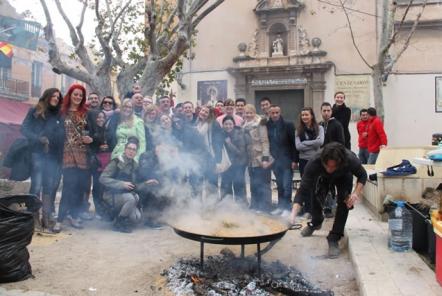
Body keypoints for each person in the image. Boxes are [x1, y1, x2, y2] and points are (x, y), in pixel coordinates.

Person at [290, 142, 367, 258]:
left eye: (333, 166)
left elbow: (363, 175)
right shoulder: (314, 162)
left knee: (344, 203)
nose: (330, 169)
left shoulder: (350, 159)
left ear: (340, 162)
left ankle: (334, 238)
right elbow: (303, 190)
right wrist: (293, 214)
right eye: (328, 165)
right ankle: (316, 222)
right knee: (313, 193)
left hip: (344, 176)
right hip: (323, 176)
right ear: (323, 161)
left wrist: (356, 193)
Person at [21, 88, 64, 231]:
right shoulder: (35, 110)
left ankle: (46, 219)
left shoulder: (58, 114)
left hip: (53, 156)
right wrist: (38, 139)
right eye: (54, 96)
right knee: (36, 186)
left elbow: (61, 134)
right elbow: (24, 129)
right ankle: (34, 219)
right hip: (37, 154)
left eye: (58, 97)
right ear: (47, 96)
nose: (56, 99)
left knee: (49, 187)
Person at [54, 84, 93, 233]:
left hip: (83, 155)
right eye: (75, 94)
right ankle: (59, 219)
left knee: (79, 188)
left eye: (80, 95)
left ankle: (74, 216)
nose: (78, 97)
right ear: (70, 95)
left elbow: (92, 132)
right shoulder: (61, 112)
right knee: (68, 187)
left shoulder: (86, 113)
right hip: (67, 154)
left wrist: (91, 138)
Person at [100, 137, 142, 233]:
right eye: (129, 149)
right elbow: (102, 178)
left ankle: (121, 215)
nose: (131, 151)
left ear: (136, 152)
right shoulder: (116, 161)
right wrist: (121, 184)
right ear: (125, 149)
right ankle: (119, 222)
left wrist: (144, 184)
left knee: (136, 218)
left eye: (134, 150)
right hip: (110, 194)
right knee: (130, 199)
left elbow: (135, 184)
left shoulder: (135, 165)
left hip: (124, 194)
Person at [266, 105, 298, 212]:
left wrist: (294, 160)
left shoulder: (288, 125)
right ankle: (280, 207)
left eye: (277, 113)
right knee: (279, 185)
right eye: (272, 113)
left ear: (280, 113)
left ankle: (287, 208)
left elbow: (294, 143)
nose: (275, 115)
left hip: (287, 160)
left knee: (287, 185)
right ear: (269, 114)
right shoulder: (267, 125)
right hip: (275, 161)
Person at [243, 104, 273, 212]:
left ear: (254, 113)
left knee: (264, 184)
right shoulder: (244, 124)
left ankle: (266, 207)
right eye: (246, 113)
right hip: (251, 160)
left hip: (261, 159)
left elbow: (265, 141)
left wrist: (265, 159)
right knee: (253, 184)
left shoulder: (260, 123)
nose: (249, 115)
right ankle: (255, 206)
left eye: (251, 112)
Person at [294, 107, 324, 215]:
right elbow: (298, 146)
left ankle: (315, 210)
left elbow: (320, 142)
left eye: (306, 114)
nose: (304, 117)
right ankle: (307, 209)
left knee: (315, 185)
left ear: (311, 116)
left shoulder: (319, 128)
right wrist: (313, 143)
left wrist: (305, 143)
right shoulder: (298, 130)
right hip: (303, 161)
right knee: (305, 185)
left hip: (316, 160)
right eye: (303, 115)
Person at [194, 105, 224, 199]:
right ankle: (197, 205)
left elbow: (219, 143)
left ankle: (212, 206)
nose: (203, 113)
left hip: (211, 157)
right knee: (198, 182)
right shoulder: (197, 123)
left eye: (206, 112)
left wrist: (218, 161)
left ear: (210, 115)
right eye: (202, 110)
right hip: (199, 157)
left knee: (211, 183)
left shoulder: (214, 124)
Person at [90, 111, 112, 219]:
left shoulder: (107, 131)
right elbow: (90, 146)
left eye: (102, 117)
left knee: (105, 186)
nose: (100, 119)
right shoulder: (92, 131)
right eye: (98, 117)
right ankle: (98, 210)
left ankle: (105, 210)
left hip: (107, 161)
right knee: (97, 186)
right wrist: (98, 146)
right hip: (97, 162)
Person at [220, 115, 247, 204]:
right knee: (226, 186)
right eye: (226, 124)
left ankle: (241, 206)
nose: (228, 126)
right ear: (223, 125)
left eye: (230, 124)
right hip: (226, 165)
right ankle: (227, 206)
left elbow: (240, 152)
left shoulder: (239, 133)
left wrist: (229, 144)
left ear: (234, 124)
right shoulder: (221, 134)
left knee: (238, 185)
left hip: (238, 165)